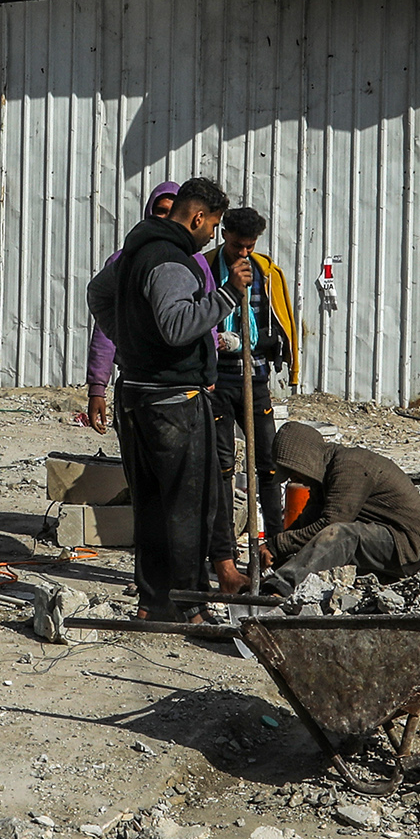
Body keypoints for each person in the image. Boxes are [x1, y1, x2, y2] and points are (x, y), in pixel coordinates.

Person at [86, 178, 236, 615]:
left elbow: (97, 294)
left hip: (134, 395)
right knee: (187, 506)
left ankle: (151, 602)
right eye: (214, 225)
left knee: (149, 504)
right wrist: (225, 297)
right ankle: (190, 603)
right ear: (197, 217)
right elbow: (176, 325)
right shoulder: (172, 261)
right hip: (173, 401)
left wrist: (130, 342)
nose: (213, 235)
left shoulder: (131, 253)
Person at [209, 206, 297, 558]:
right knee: (223, 466)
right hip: (217, 380)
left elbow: (278, 320)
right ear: (224, 234)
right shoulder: (206, 267)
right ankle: (225, 551)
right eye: (237, 245)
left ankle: (273, 546)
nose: (244, 252)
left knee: (268, 464)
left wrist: (264, 347)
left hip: (254, 376)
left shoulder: (266, 272)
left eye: (250, 246)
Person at [265, 422, 420, 586]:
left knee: (344, 535)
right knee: (312, 517)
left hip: (411, 548)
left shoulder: (349, 467)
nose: (292, 478)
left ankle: (281, 588)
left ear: (305, 460)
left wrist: (278, 545)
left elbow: (330, 525)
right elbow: (309, 522)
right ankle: (276, 577)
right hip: (390, 537)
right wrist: (275, 551)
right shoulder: (326, 472)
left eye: (293, 471)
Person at [85, 181, 197, 433]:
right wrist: (97, 388)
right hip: (136, 382)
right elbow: (105, 327)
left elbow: (203, 320)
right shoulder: (126, 260)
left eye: (173, 211)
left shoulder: (195, 262)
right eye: (161, 211)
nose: (167, 218)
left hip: (181, 386)